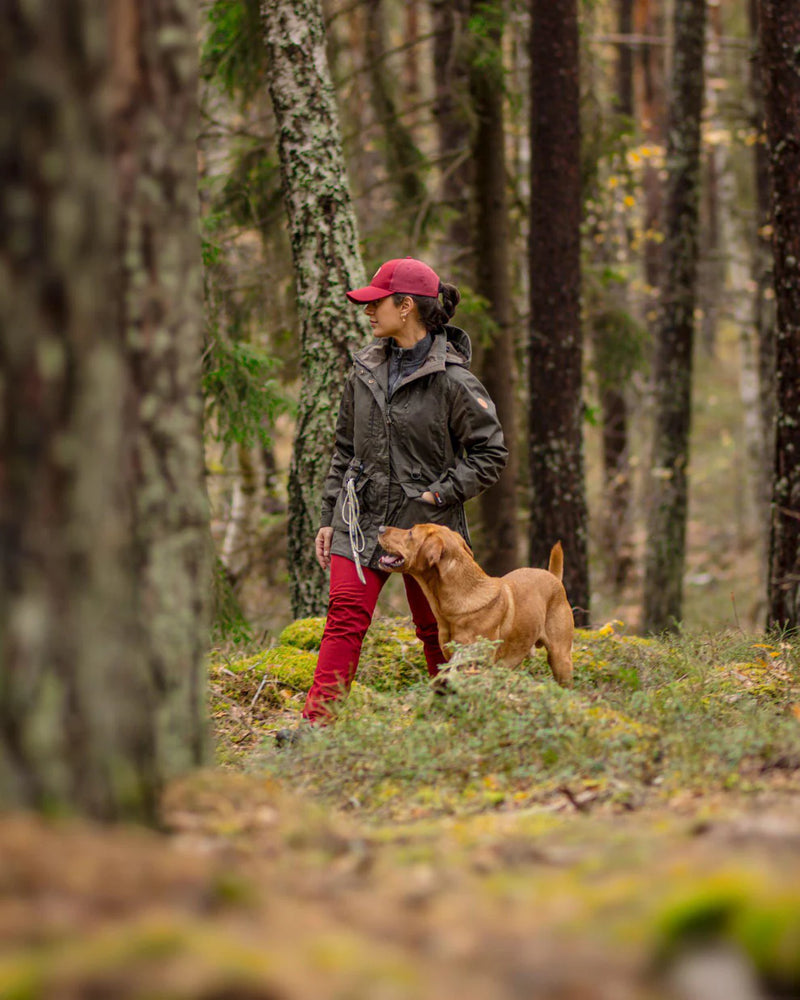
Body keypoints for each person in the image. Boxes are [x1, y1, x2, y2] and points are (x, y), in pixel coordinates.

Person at [283, 256, 508, 737]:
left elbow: (490, 453)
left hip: (425, 529)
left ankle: (454, 724)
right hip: (360, 518)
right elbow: (345, 449)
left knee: (436, 627)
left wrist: (439, 495)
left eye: (376, 303)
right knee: (343, 617)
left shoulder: (454, 380)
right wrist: (328, 517)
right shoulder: (363, 370)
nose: (368, 311)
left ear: (406, 307)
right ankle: (316, 728)